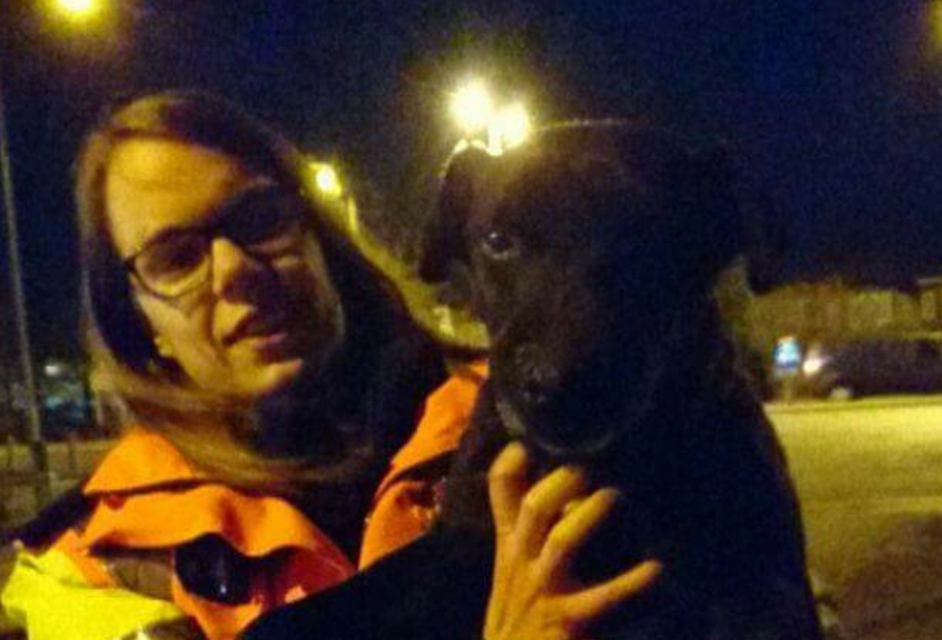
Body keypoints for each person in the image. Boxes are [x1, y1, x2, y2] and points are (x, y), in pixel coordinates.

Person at [0, 91, 660, 640]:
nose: (234, 271)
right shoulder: (99, 571)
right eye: (175, 258)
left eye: (257, 218)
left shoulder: (541, 425)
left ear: (320, 234)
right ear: (139, 324)